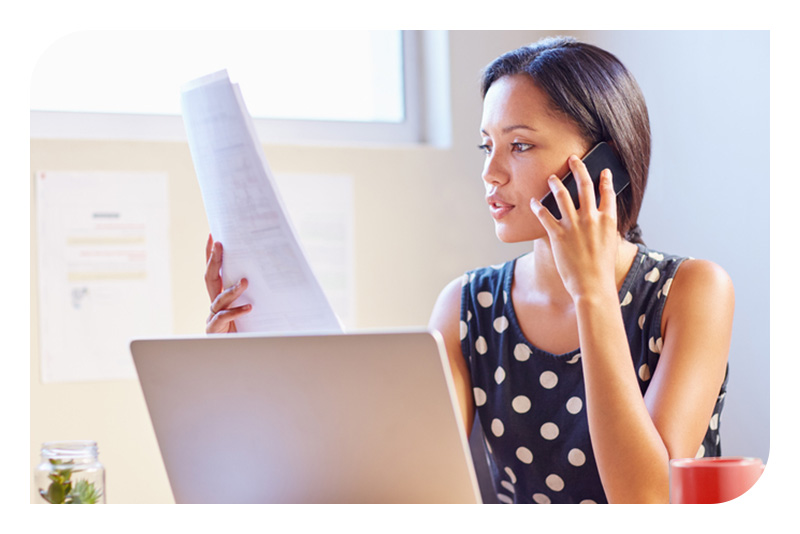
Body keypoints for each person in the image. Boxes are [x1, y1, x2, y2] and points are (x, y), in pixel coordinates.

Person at [205, 36, 734, 504]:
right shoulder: (467, 305)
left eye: (519, 145)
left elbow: (647, 503)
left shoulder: (692, 292)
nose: (490, 172)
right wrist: (252, 363)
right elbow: (396, 483)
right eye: (487, 146)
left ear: (604, 166)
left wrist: (592, 293)